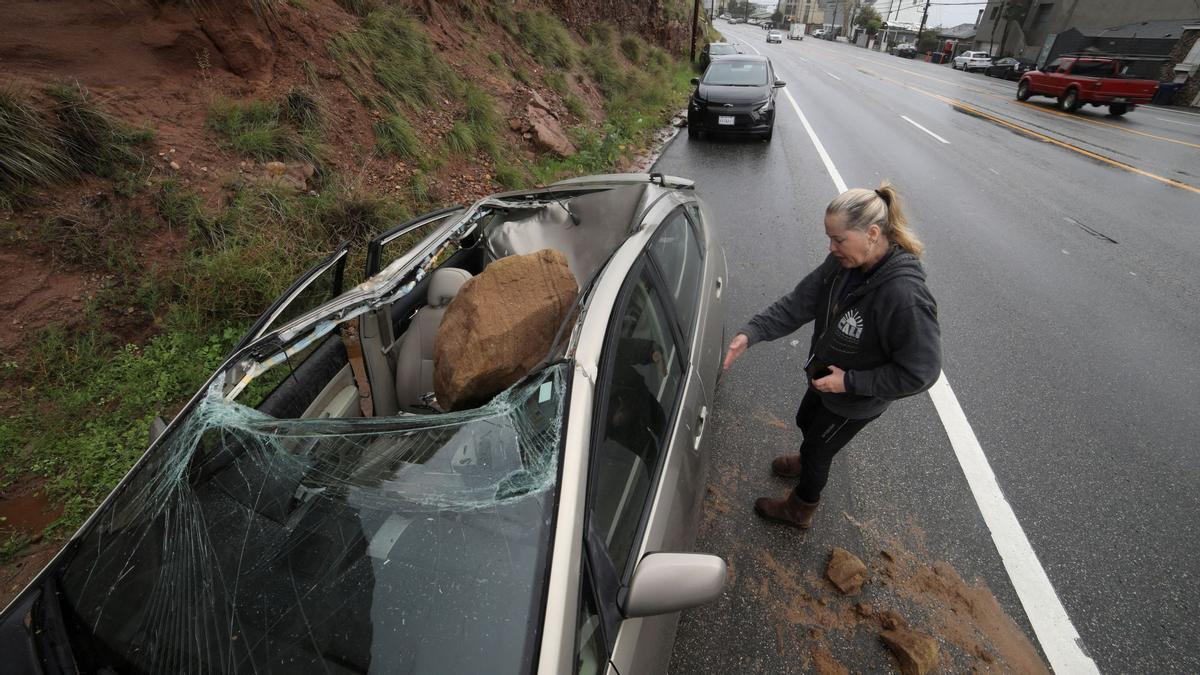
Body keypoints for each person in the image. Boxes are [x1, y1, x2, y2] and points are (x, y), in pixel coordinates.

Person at [722, 183, 942, 530]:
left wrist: (850, 381)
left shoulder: (904, 296)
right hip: (825, 375)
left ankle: (800, 508)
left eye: (839, 239)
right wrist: (751, 333)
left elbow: (922, 372)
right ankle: (807, 454)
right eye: (830, 238)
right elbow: (800, 302)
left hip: (854, 399)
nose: (831, 247)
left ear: (872, 233)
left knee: (819, 452)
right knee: (806, 422)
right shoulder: (844, 264)